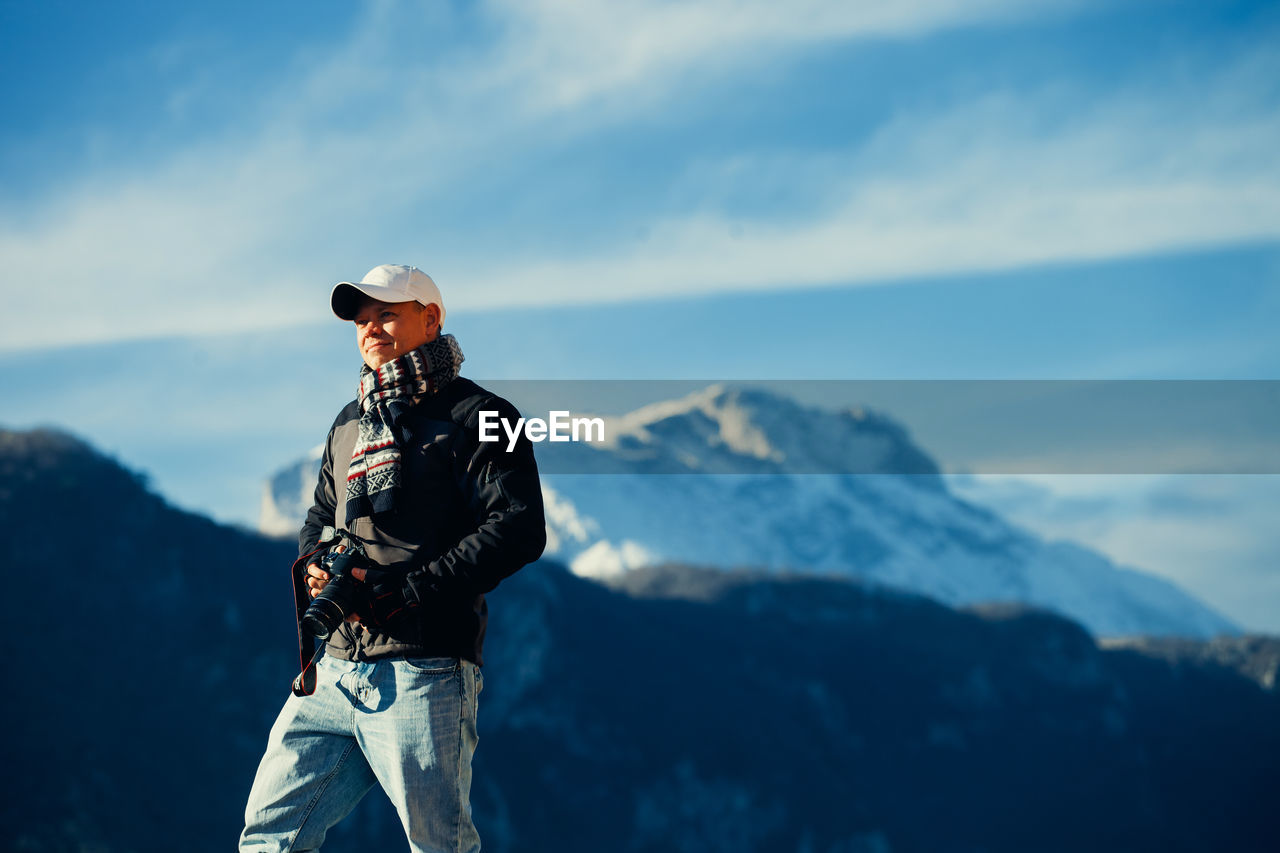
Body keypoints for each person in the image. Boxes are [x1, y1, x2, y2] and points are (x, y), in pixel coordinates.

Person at [240, 264, 547, 852]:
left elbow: (518, 527)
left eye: (386, 313)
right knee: (269, 835)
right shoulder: (350, 421)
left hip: (423, 670)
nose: (370, 328)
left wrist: (410, 589)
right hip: (331, 670)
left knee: (438, 845)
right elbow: (319, 516)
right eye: (361, 319)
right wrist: (313, 563)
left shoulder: (486, 415)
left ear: (430, 319)